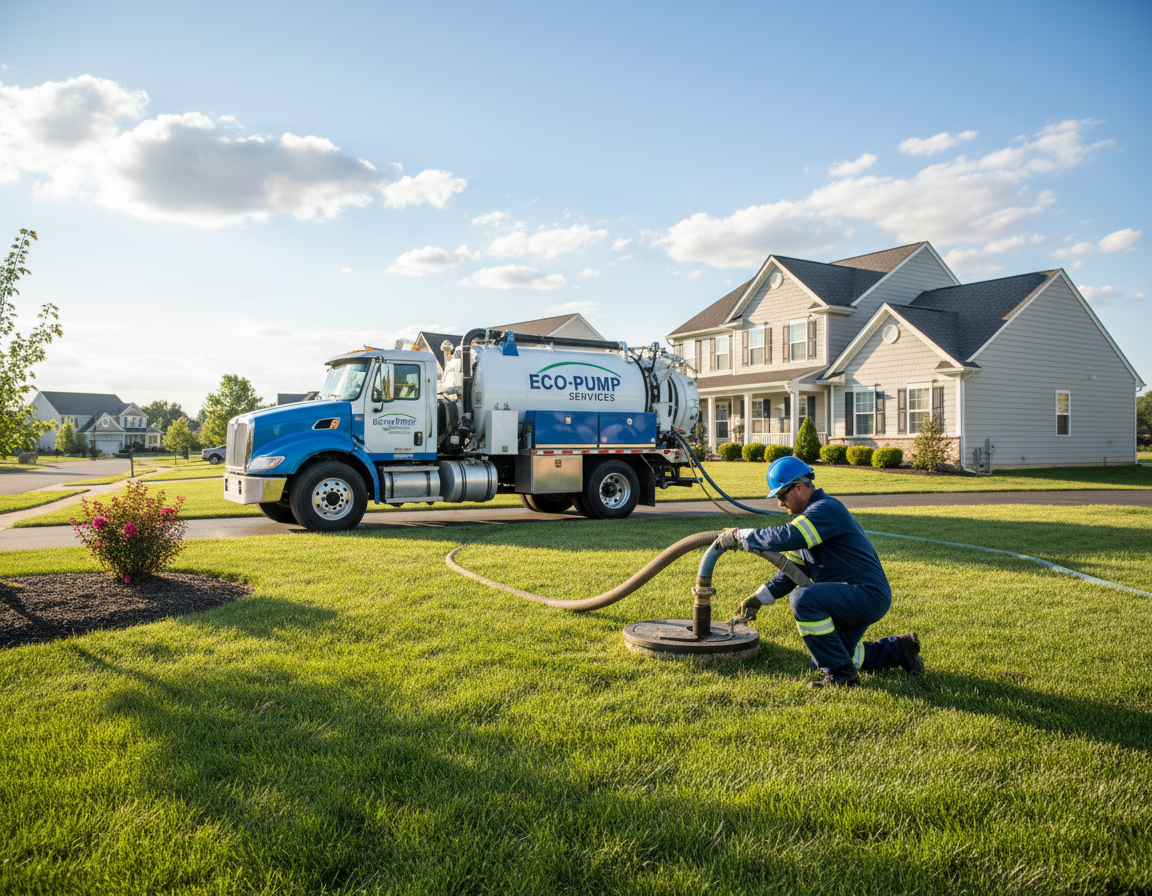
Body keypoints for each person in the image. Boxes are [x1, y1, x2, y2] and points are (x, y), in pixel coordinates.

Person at [716, 456, 923, 688]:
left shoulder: (825, 509)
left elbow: (788, 536)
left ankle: (842, 677)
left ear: (799, 488)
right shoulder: (810, 520)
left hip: (864, 594)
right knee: (828, 656)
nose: (780, 504)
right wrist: (760, 597)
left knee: (803, 599)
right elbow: (791, 572)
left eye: (781, 497)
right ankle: (898, 649)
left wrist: (741, 536)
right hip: (853, 594)